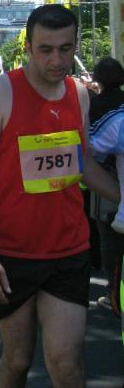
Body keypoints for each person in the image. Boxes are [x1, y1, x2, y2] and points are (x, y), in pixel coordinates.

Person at [0, 4, 121, 387]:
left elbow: (81, 164)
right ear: (28, 48)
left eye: (65, 49)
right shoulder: (0, 94)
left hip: (69, 249)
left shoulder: (78, 94)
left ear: (76, 45)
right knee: (17, 360)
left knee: (67, 364)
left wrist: (121, 196)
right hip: (11, 254)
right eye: (46, 50)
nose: (57, 60)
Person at [87, 57, 124, 311]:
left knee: (110, 240)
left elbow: (90, 148)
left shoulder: (107, 113)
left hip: (108, 184)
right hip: (111, 183)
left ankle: (114, 295)